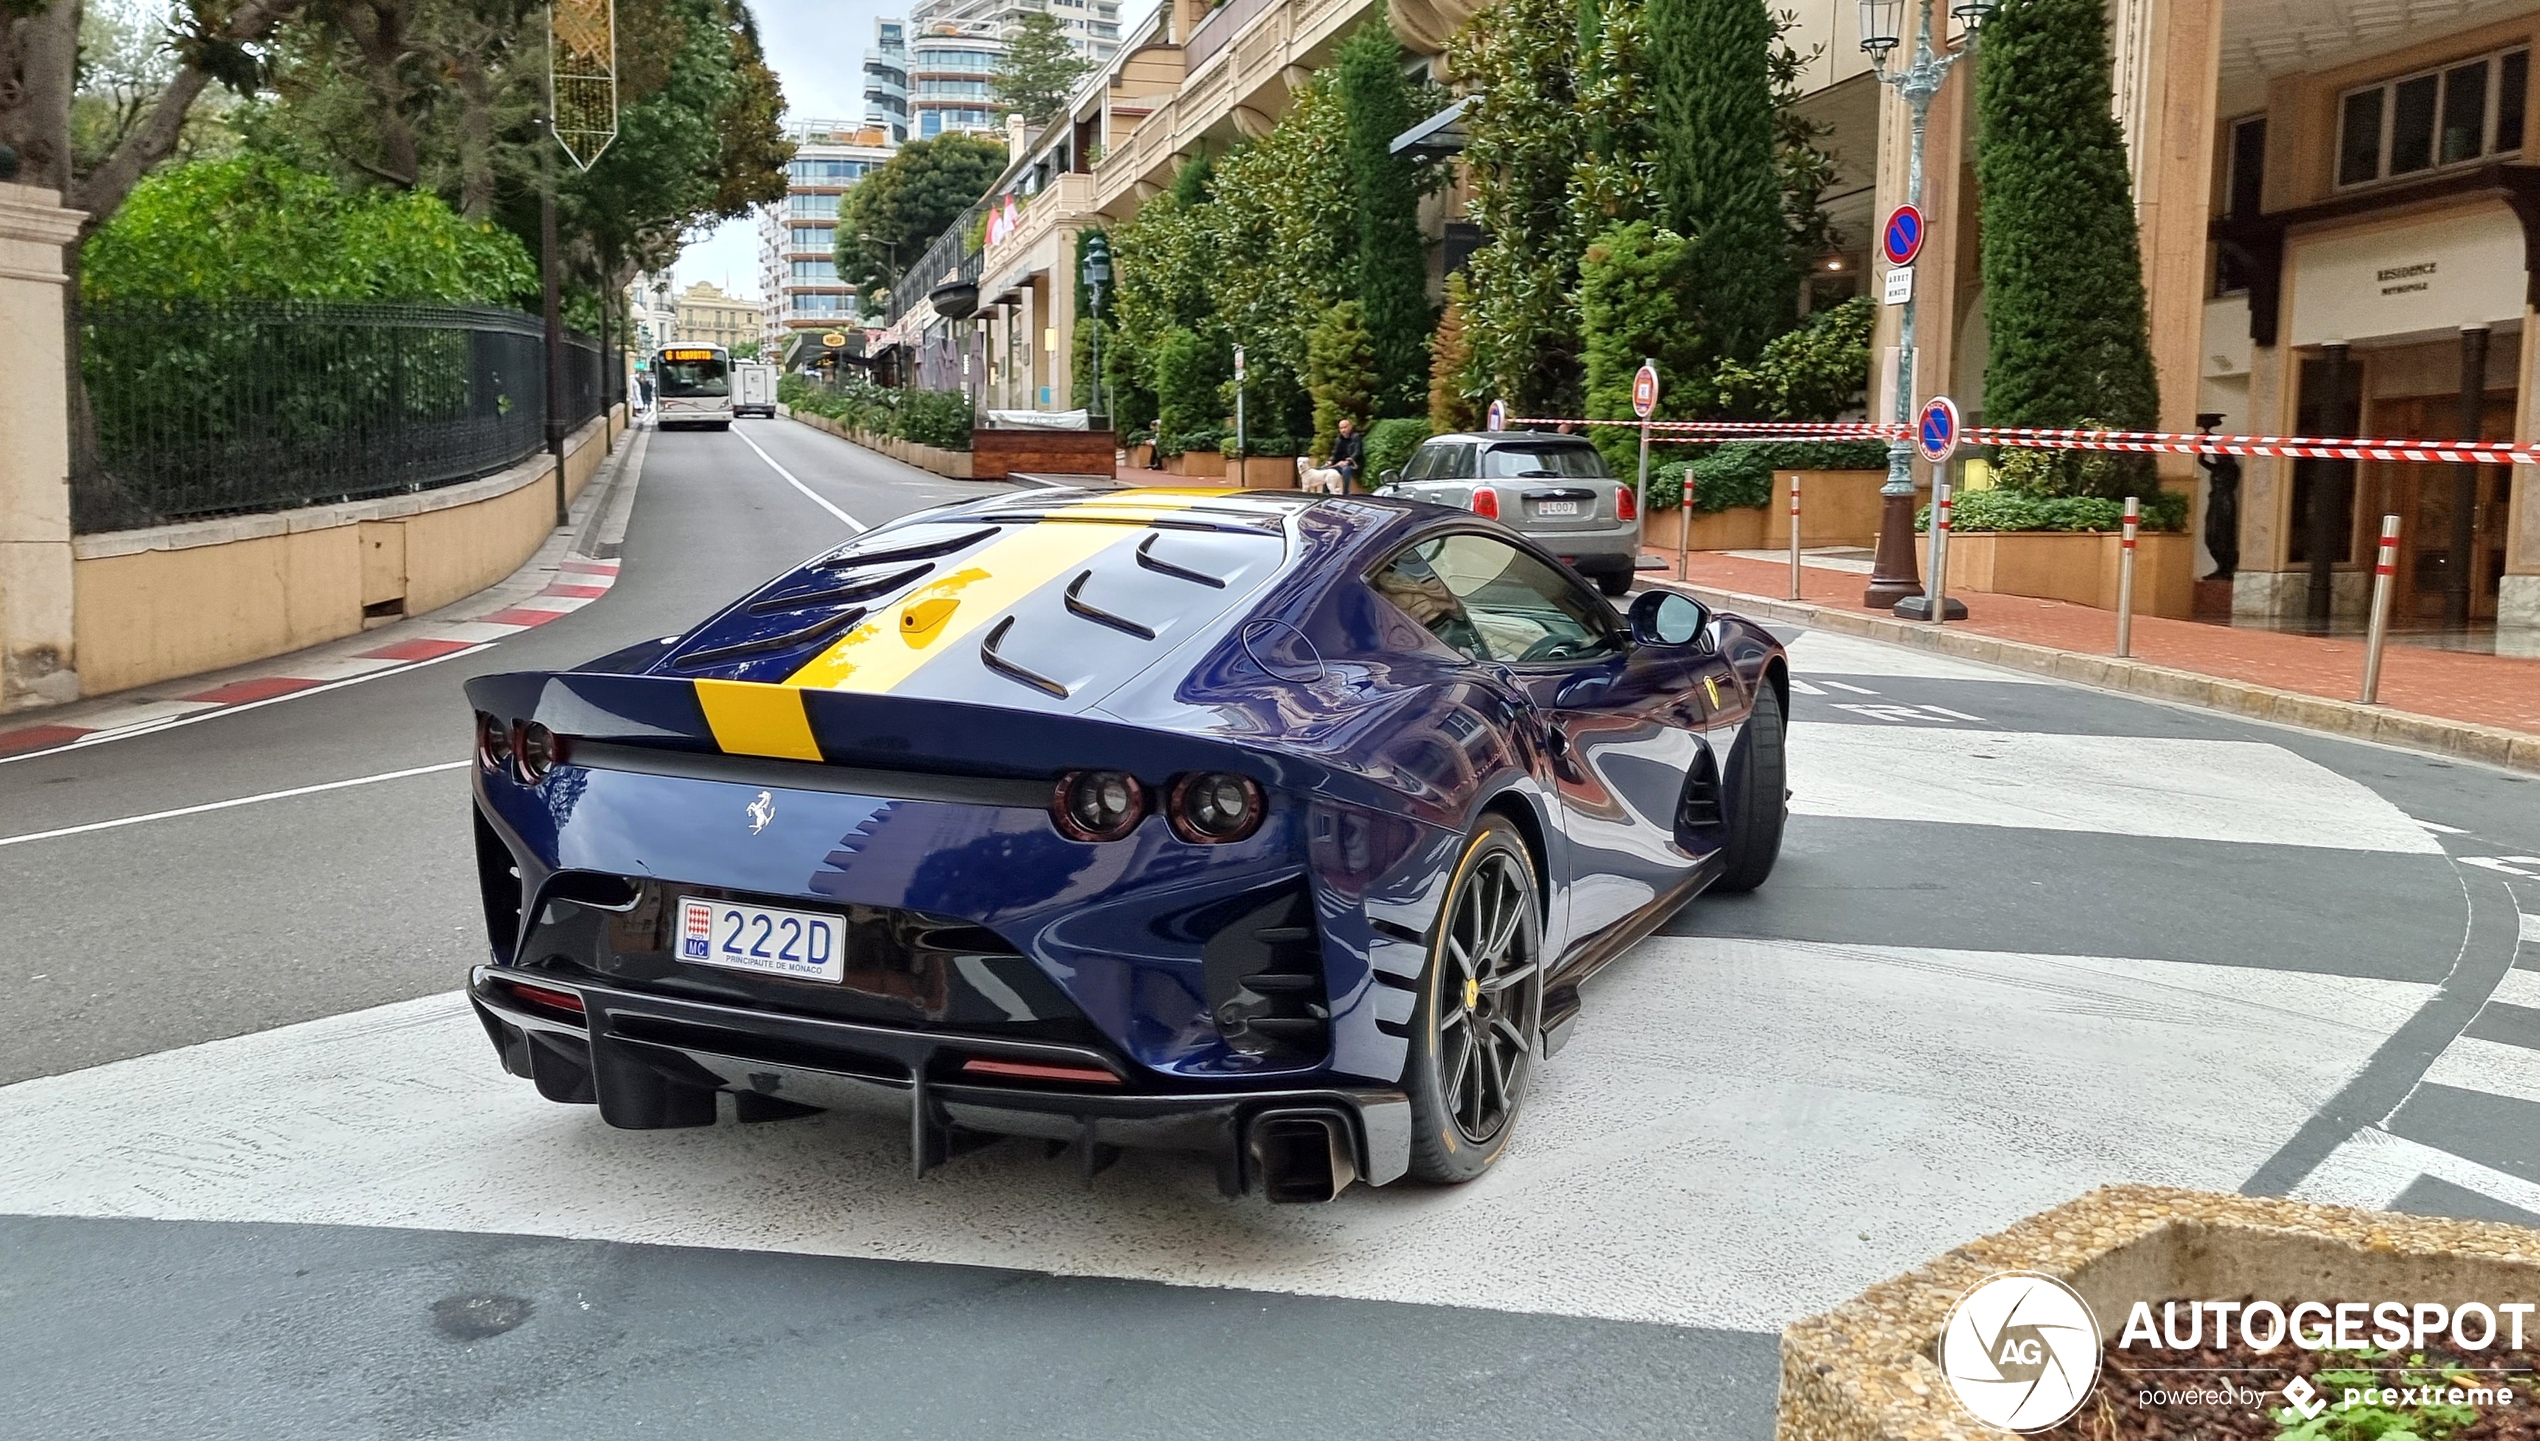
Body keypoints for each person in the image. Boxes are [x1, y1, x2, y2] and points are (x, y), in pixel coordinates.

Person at [1329, 416, 1364, 491]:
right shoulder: (1338, 439)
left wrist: (1347, 462)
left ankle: (1345, 493)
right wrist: (1330, 461)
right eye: (1341, 428)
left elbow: (1357, 452)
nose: (1343, 430)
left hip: (1352, 465)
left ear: (1350, 427)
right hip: (1339, 464)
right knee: (1325, 469)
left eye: (1345, 427)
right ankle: (1326, 494)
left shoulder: (1356, 437)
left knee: (1346, 470)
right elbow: (1335, 453)